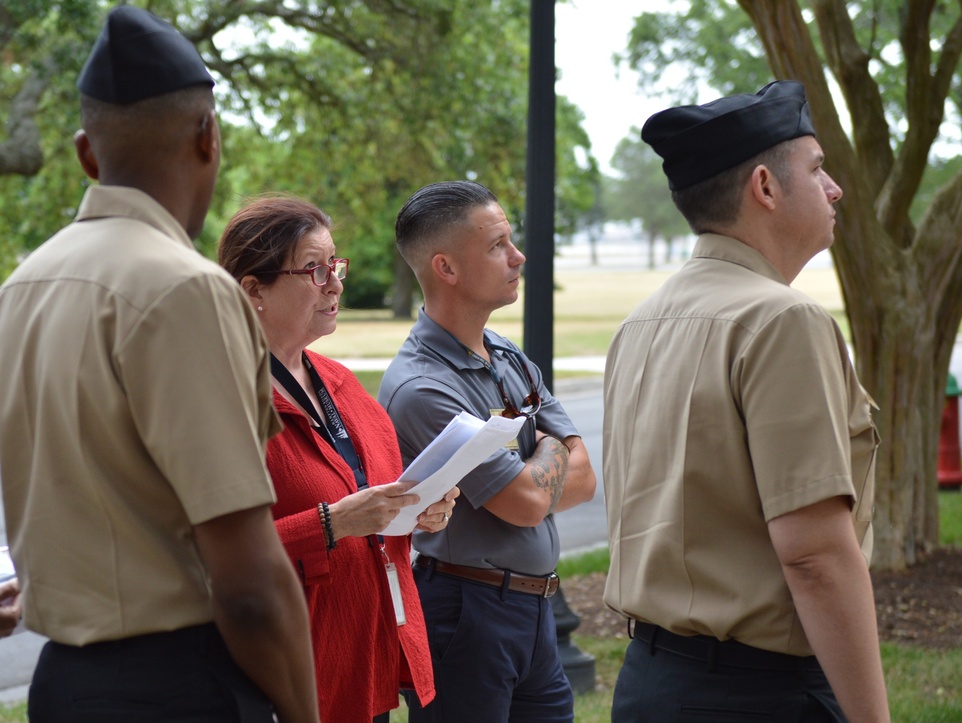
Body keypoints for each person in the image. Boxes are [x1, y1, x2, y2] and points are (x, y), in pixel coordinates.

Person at [0, 7, 319, 721]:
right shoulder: (187, 289)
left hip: (63, 682)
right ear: (208, 137)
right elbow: (246, 577)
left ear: (86, 153)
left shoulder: (19, 290)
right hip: (179, 683)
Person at [602, 80, 890, 723]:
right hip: (760, 694)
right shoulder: (782, 319)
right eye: (817, 169)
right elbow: (815, 555)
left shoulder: (642, 321)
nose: (835, 187)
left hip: (650, 682)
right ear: (765, 187)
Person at [218, 195, 458, 723]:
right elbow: (206, 555)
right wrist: (333, 523)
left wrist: (417, 511)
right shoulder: (223, 397)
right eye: (314, 269)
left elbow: (375, 510)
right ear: (252, 289)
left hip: (360, 659)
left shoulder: (343, 386)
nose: (335, 284)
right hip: (281, 675)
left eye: (335, 265)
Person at [379, 180, 597, 722]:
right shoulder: (423, 388)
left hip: (534, 610)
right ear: (446, 268)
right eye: (497, 245)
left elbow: (586, 476)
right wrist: (552, 446)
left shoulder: (508, 356)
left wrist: (544, 465)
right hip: (468, 615)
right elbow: (524, 503)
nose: (517, 256)